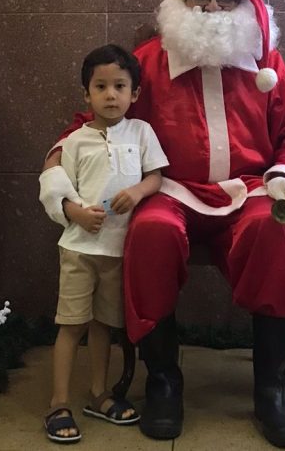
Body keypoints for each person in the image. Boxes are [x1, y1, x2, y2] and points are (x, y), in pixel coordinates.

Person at [40, 0, 285, 448]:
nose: (211, 9)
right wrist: (57, 180)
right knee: (149, 232)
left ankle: (270, 389)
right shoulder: (147, 62)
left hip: (249, 190)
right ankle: (165, 381)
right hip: (168, 189)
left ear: (241, 6)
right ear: (180, 5)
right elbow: (94, 123)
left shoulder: (265, 63)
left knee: (271, 234)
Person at [39, 44, 169, 443]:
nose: (110, 95)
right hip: (80, 249)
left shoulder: (141, 132)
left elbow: (156, 175)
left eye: (119, 86)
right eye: (101, 86)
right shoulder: (74, 141)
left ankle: (99, 393)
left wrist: (139, 191)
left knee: (103, 326)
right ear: (86, 94)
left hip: (118, 251)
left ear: (135, 93)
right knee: (72, 325)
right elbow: (57, 186)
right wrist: (74, 212)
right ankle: (59, 402)